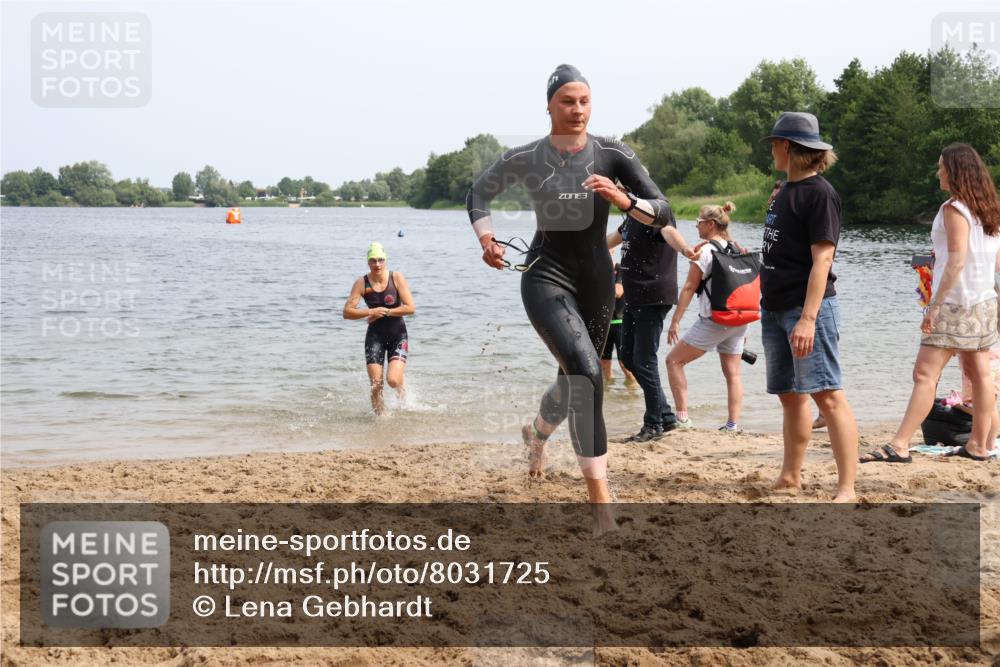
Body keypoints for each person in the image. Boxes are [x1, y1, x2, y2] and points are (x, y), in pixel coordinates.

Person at [467, 64, 675, 510]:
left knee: (575, 375)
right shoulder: (526, 157)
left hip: (597, 279)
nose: (577, 109)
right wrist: (486, 237)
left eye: (584, 101)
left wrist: (626, 201)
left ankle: (536, 434)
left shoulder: (613, 153)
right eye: (567, 100)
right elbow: (478, 194)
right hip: (545, 275)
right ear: (549, 106)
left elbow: (664, 210)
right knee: (586, 371)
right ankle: (600, 499)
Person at [862, 143, 1000, 463]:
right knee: (980, 374)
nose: (937, 172)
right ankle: (981, 444)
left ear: (955, 172)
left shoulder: (953, 209)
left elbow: (956, 261)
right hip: (985, 302)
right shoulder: (987, 209)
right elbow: (994, 263)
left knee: (924, 374)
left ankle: (899, 445)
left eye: (941, 166)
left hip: (955, 304)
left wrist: (935, 305)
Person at [760, 112, 857, 502]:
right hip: (775, 308)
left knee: (828, 395)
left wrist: (807, 319)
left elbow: (823, 262)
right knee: (790, 395)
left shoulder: (820, 194)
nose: (771, 149)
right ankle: (790, 476)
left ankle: (846, 487)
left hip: (805, 311)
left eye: (774, 144)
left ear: (788, 147)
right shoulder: (785, 191)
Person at [606, 200, 696, 442]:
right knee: (627, 357)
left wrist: (686, 249)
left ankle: (653, 424)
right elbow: (608, 240)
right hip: (635, 298)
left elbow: (669, 231)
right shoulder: (631, 219)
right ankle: (665, 415)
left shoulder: (656, 211)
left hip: (653, 296)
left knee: (644, 361)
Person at [666, 202, 748, 433]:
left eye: (699, 222)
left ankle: (682, 418)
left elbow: (690, 287)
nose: (696, 226)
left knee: (673, 361)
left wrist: (676, 320)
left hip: (715, 320)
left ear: (711, 224)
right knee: (733, 373)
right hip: (739, 319)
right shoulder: (736, 247)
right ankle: (732, 425)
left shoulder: (704, 251)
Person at [342, 242, 415, 415]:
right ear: (368, 262)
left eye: (380, 260)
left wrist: (385, 312)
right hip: (375, 337)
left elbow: (410, 308)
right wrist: (370, 311)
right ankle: (381, 420)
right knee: (376, 384)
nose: (377, 264)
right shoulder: (361, 283)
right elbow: (347, 312)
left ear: (385, 261)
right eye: (373, 260)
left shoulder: (396, 278)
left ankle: (402, 392)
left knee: (392, 381)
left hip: (398, 335)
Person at [600, 251, 637, 388]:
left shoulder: (619, 269)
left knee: (624, 364)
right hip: (604, 324)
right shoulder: (597, 272)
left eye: (607, 250)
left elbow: (618, 292)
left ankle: (633, 393)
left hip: (620, 323)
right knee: (604, 364)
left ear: (612, 252)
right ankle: (609, 396)